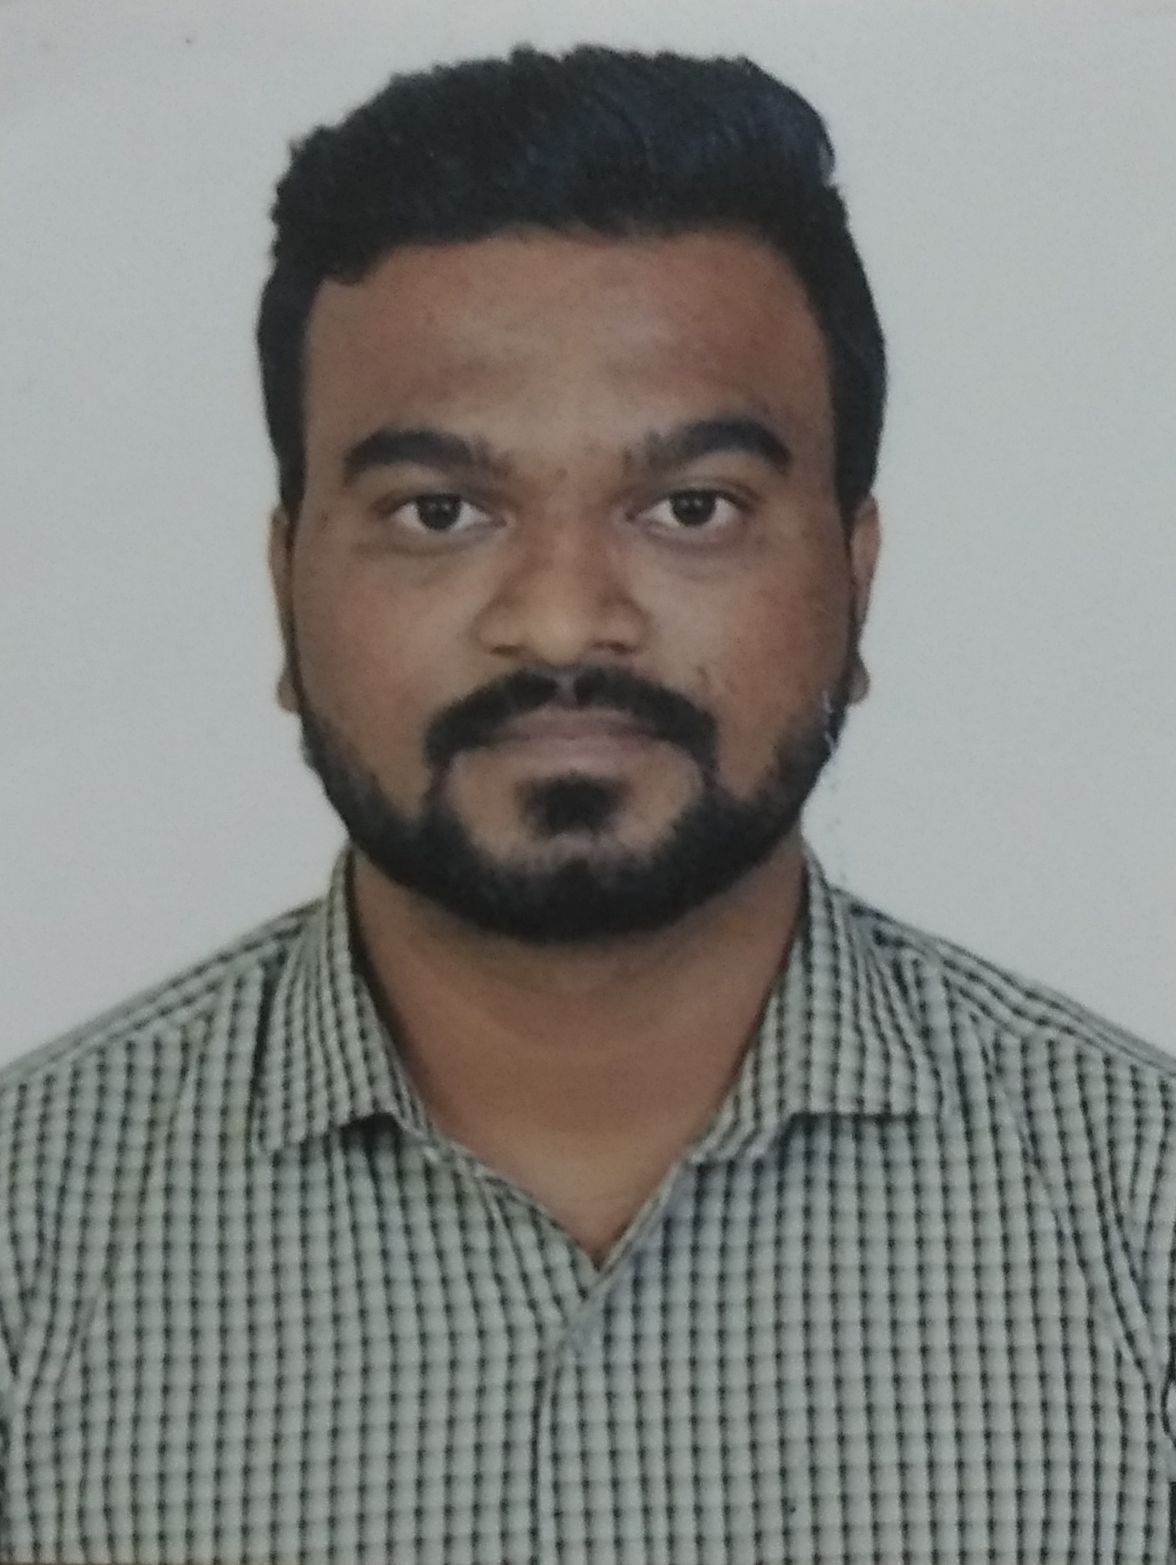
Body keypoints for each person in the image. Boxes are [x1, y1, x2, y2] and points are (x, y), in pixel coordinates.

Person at [0, 42, 1172, 1565]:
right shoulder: (29, 1241)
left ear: (855, 581)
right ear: (285, 589)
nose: (562, 622)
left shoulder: (1143, 1218)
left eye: (691, 507)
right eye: (440, 511)